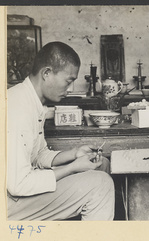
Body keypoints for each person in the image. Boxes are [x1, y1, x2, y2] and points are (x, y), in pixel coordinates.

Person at [7, 41, 115, 221]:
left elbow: (38, 155)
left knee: (102, 163)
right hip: (9, 203)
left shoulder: (32, 102)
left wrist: (74, 154)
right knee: (101, 185)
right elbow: (18, 185)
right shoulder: (18, 109)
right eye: (69, 81)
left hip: (17, 191)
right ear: (47, 73)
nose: (70, 89)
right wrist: (72, 168)